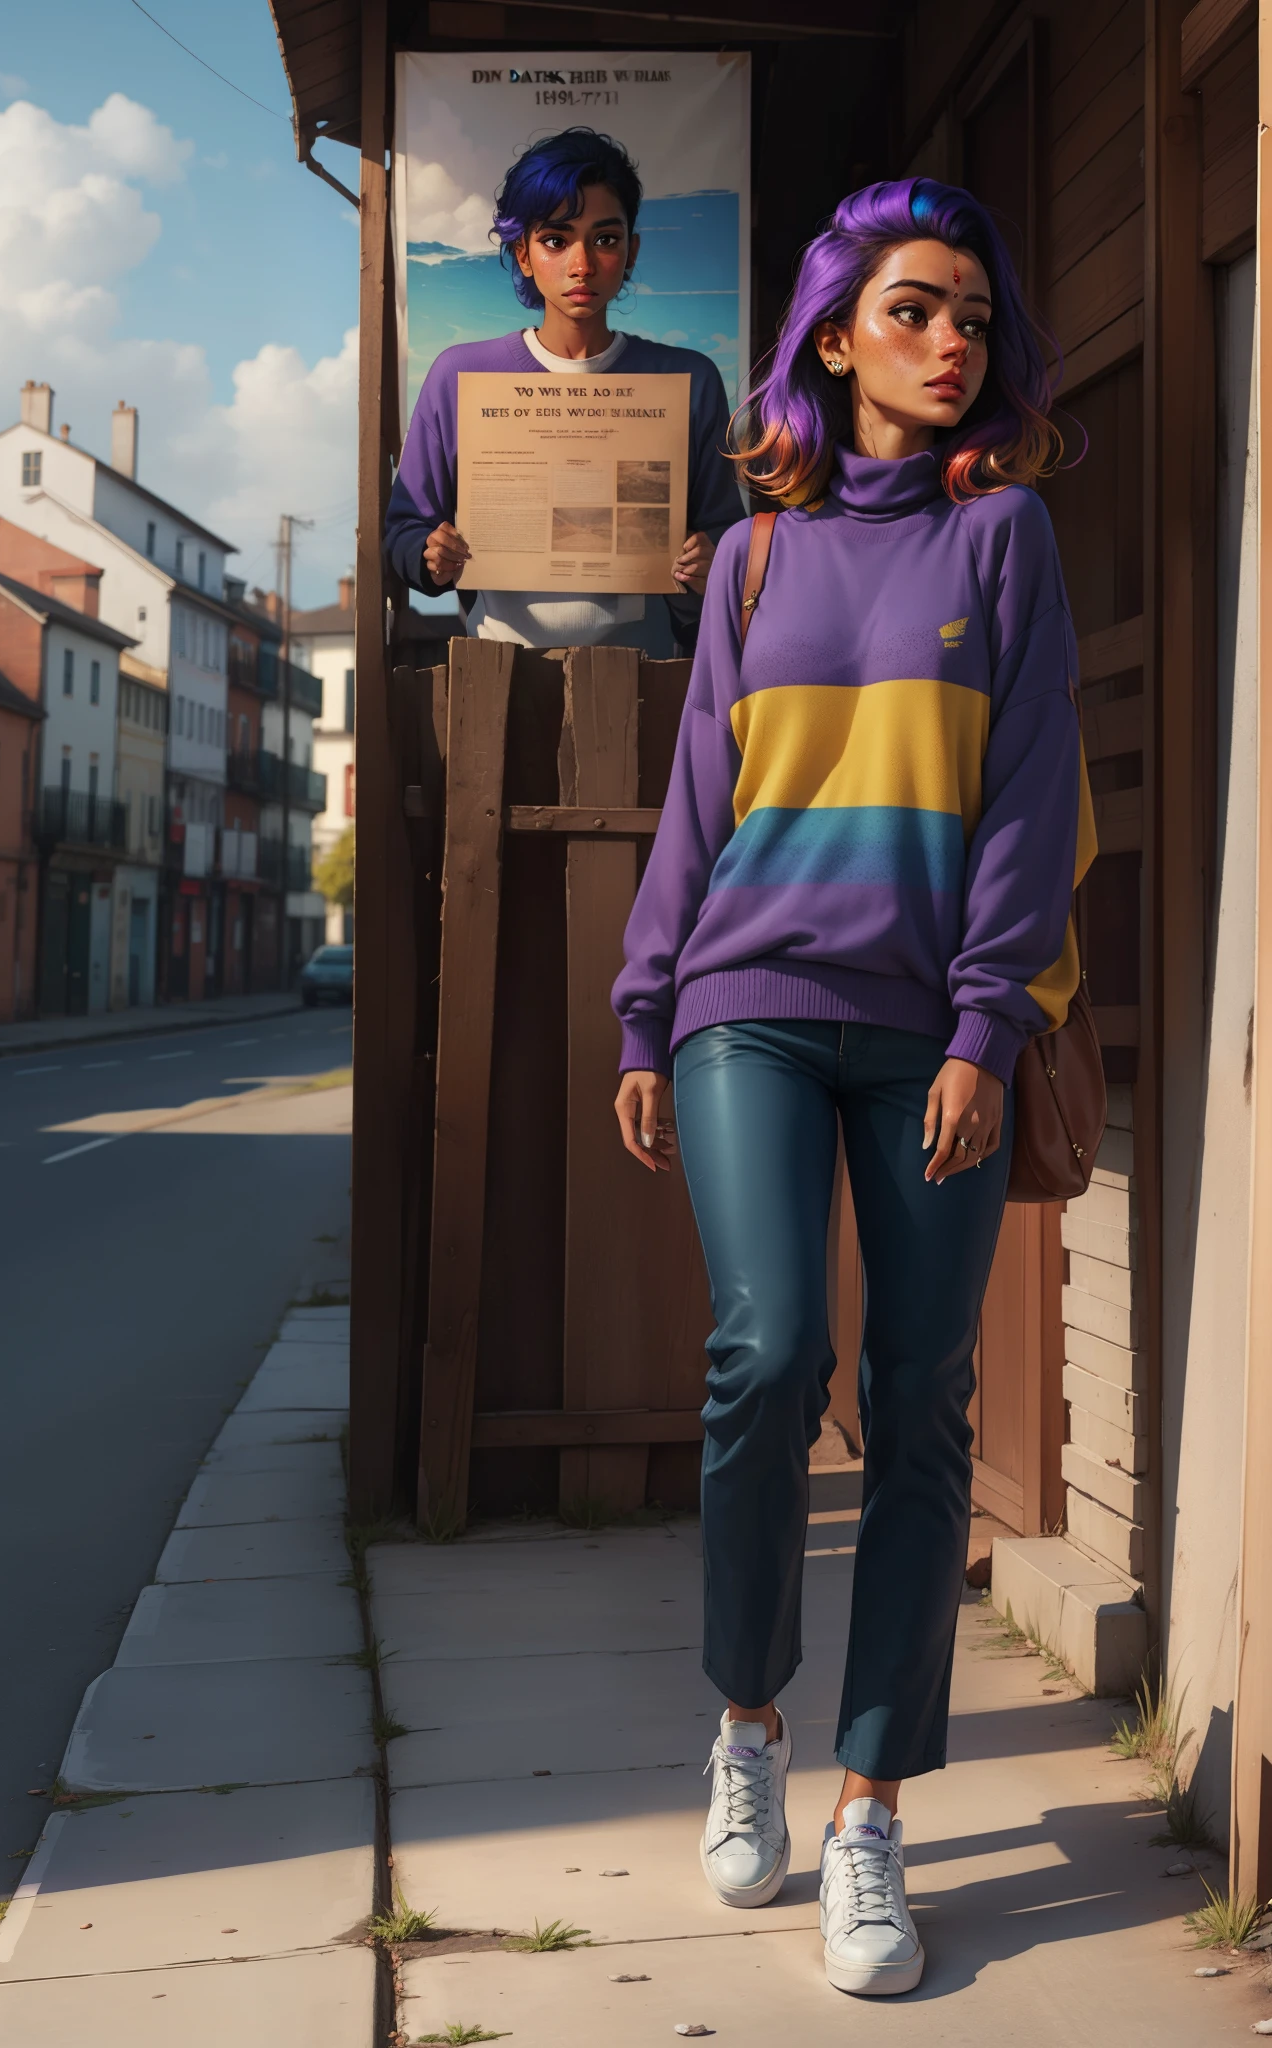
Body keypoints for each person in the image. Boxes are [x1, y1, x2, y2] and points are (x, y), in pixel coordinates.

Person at [611, 178, 1094, 1996]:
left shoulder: (1006, 540)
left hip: (931, 1021)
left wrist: (988, 1025)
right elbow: (699, 804)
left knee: (921, 1396)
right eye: (915, 309)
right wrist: (646, 1008)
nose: (952, 340)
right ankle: (748, 1720)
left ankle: (871, 1810)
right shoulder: (749, 555)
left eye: (973, 314)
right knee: (766, 1350)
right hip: (749, 993)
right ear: (836, 335)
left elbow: (1035, 801)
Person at [385, 127, 743, 654]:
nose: (582, 265)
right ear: (523, 254)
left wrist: (712, 563)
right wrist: (428, 553)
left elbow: (726, 540)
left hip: (651, 675)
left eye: (605, 238)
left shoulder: (689, 380)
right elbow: (403, 530)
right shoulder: (460, 375)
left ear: (632, 249)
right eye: (556, 240)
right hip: (494, 675)